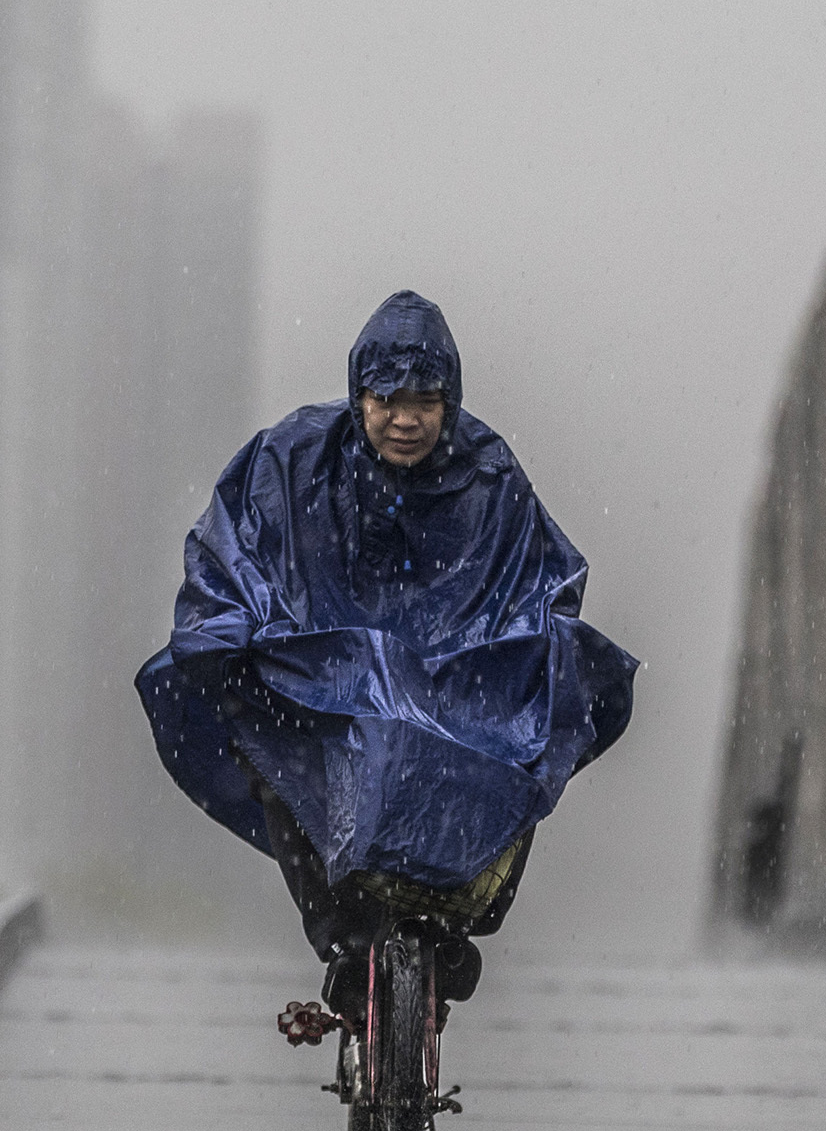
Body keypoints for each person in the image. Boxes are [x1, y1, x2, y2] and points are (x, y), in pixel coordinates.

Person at [135, 291, 636, 1023]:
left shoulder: (490, 479)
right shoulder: (294, 460)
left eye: (426, 400)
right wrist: (230, 633)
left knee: (537, 731)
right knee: (270, 746)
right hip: (322, 686)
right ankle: (344, 944)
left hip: (453, 694)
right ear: (358, 396)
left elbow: (541, 580)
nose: (406, 419)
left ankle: (450, 927)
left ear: (450, 400)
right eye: (387, 399)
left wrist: (532, 661)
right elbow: (233, 549)